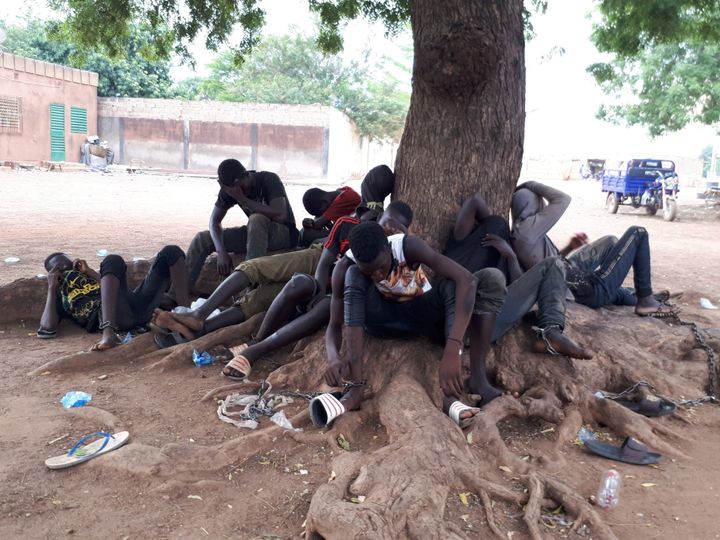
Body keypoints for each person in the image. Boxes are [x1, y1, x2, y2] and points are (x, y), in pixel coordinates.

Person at [317, 221, 507, 429]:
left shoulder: (408, 247)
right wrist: (334, 357)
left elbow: (467, 280)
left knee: (453, 287)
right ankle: (356, 388)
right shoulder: (345, 267)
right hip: (382, 321)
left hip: (419, 311)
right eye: (369, 272)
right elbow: (334, 325)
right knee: (352, 276)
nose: (377, 276)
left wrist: (453, 348)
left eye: (380, 267)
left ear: (388, 248)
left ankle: (451, 398)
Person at [219, 202, 414, 380]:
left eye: (399, 228)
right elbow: (323, 264)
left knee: (327, 305)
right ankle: (256, 340)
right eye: (389, 223)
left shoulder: (396, 253)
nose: (391, 229)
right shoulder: (346, 225)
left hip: (335, 303)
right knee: (299, 283)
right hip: (319, 291)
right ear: (380, 217)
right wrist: (318, 293)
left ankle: (254, 352)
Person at [445, 192, 592, 359]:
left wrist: (510, 256)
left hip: (490, 318)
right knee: (553, 263)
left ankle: (551, 334)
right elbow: (474, 200)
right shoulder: (461, 244)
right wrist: (495, 224)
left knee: (553, 263)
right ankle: (551, 333)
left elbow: (518, 284)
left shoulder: (500, 253)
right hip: (468, 327)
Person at [510, 181, 674, 316]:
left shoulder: (522, 230)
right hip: (585, 290)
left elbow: (547, 264)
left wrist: (569, 247)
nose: (542, 207)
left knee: (610, 242)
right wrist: (531, 184)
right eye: (538, 203)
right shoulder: (526, 232)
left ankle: (637, 295)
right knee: (638, 232)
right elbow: (563, 199)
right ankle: (645, 298)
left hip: (570, 277)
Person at [38, 246, 189, 351]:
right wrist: (52, 287)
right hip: (117, 318)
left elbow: (112, 286)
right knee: (112, 259)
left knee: (171, 252)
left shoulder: (91, 277)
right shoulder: (61, 295)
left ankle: (186, 315)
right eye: (61, 268)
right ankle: (108, 334)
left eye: (70, 265)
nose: (69, 269)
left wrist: (89, 272)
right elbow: (47, 328)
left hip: (136, 307)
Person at [185, 158, 298, 292]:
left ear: (246, 175)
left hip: (284, 233)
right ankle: (177, 295)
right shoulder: (230, 190)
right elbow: (214, 221)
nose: (239, 191)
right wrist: (221, 251)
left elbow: (281, 214)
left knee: (256, 219)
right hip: (256, 232)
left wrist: (243, 199)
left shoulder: (269, 179)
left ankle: (248, 292)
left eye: (242, 187)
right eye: (233, 190)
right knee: (202, 238)